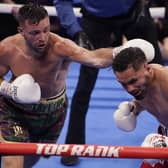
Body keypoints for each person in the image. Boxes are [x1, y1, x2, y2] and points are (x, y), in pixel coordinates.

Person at [0, 3, 154, 168]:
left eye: (46, 30)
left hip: (52, 112)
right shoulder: (7, 48)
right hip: (14, 109)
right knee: (13, 159)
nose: (43, 37)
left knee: (30, 159)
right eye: (35, 33)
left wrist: (123, 50)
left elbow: (95, 58)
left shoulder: (60, 46)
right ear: (21, 31)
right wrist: (10, 89)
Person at [53, 0, 164, 165]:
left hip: (134, 13)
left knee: (155, 75)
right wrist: (76, 32)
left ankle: (164, 136)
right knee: (84, 85)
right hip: (96, 20)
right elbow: (61, 1)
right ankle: (72, 147)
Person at [112, 45, 168, 168]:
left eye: (133, 81)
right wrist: (135, 108)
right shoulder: (142, 86)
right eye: (123, 84)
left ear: (147, 68)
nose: (129, 89)